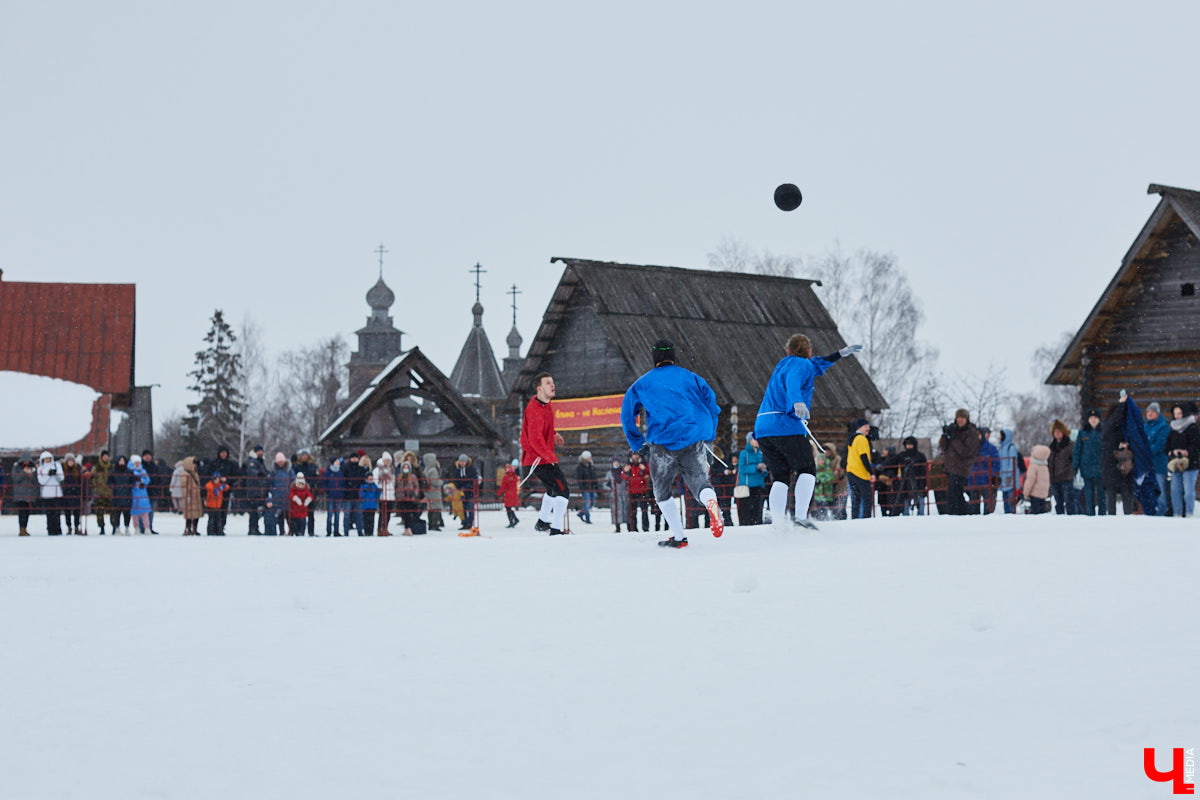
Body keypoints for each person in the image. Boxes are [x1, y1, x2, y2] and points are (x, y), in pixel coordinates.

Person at [619, 339, 724, 549]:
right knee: (700, 483)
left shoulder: (643, 383)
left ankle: (679, 537)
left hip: (663, 443)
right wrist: (709, 434)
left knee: (661, 491)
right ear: (673, 357)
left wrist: (636, 441)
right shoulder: (691, 377)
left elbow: (627, 414)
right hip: (692, 439)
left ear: (654, 358)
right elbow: (711, 403)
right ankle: (711, 504)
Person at [754, 334, 863, 530]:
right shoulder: (800, 365)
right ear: (809, 351)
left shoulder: (784, 363)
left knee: (780, 475)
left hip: (763, 427)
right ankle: (801, 517)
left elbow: (817, 365)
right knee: (807, 469)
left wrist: (839, 354)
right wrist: (797, 401)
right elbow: (794, 381)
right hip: (784, 424)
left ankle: (778, 522)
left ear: (787, 350)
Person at [520, 372, 571, 535]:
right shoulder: (534, 408)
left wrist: (554, 434)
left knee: (552, 490)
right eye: (548, 383)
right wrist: (550, 457)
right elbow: (534, 439)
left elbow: (542, 428)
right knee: (563, 491)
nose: (553, 385)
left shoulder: (546, 405)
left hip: (541, 457)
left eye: (553, 382)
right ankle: (556, 530)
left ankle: (542, 522)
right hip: (539, 459)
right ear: (539, 389)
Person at [938, 410, 978, 515]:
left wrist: (955, 439)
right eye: (958, 418)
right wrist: (945, 436)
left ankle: (955, 513)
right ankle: (964, 513)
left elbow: (966, 451)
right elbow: (943, 447)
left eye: (962, 418)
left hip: (962, 468)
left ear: (967, 419)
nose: (960, 420)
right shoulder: (954, 431)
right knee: (956, 494)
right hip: (950, 468)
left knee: (953, 494)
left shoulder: (971, 432)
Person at [1102, 399, 1135, 515]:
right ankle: (1112, 525)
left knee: (1126, 499)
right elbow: (1115, 420)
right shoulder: (1108, 425)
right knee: (1111, 502)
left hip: (1123, 468)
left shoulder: (1123, 428)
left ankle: (1127, 520)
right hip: (1111, 467)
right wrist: (1122, 404)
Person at [1166, 401, 1199, 517]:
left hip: (1191, 464)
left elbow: (1196, 445)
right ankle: (1177, 514)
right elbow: (1167, 445)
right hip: (1176, 463)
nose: (1177, 416)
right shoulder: (1173, 428)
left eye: (1179, 413)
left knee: (1188, 491)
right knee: (1175, 490)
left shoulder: (1192, 427)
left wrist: (1187, 451)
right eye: (1175, 413)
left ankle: (1189, 514)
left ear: (1184, 413)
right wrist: (1172, 451)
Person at [1073, 410, 1106, 516]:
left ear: (1099, 419)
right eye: (1091, 418)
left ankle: (1102, 516)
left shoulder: (1104, 431)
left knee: (1101, 496)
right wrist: (1075, 466)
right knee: (1088, 495)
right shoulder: (1083, 432)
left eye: (1095, 417)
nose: (1093, 420)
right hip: (1086, 469)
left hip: (1101, 469)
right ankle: (1090, 515)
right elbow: (1077, 450)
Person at [1144, 402, 1171, 516]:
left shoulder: (1163, 427)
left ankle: (1160, 514)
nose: (1150, 413)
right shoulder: (1144, 427)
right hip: (1146, 466)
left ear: (1157, 413)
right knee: (1148, 492)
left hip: (1158, 465)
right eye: (1148, 411)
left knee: (1160, 492)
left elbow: (1160, 445)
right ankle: (1151, 514)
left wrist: (1146, 452)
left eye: (1152, 411)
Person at [845, 420, 875, 519]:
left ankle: (855, 519)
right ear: (859, 427)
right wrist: (871, 472)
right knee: (867, 499)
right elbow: (863, 457)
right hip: (860, 472)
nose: (868, 429)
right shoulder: (861, 439)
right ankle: (866, 520)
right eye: (866, 426)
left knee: (855, 499)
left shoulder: (852, 438)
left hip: (851, 471)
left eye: (869, 427)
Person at [736, 434, 767, 525]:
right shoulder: (744, 453)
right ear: (749, 441)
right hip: (747, 486)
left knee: (757, 509)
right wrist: (756, 467)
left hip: (758, 485)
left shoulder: (760, 453)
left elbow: (763, 470)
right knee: (746, 510)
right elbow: (742, 468)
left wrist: (764, 470)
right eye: (754, 439)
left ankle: (757, 524)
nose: (757, 441)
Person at [1046, 420, 1076, 515]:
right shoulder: (1051, 447)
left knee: (1069, 502)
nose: (1057, 433)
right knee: (1058, 503)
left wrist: (1070, 471)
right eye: (1055, 432)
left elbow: (1074, 460)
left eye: (1059, 431)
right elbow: (1050, 462)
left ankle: (1072, 520)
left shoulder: (1070, 445)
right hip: (1054, 479)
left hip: (1066, 478)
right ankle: (1060, 521)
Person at [895, 436, 928, 516]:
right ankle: (906, 515)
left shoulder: (920, 456)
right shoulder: (902, 455)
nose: (909, 446)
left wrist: (922, 480)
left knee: (920, 499)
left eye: (910, 444)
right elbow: (892, 460)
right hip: (905, 482)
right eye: (907, 444)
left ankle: (921, 515)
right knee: (906, 499)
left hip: (919, 482)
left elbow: (924, 470)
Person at [243, 446, 270, 535]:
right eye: (258, 451)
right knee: (254, 511)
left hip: (258, 490)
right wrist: (260, 474)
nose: (260, 453)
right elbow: (252, 471)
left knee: (255, 511)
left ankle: (254, 528)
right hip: (254, 490)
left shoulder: (260, 462)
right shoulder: (253, 461)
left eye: (261, 451)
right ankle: (252, 529)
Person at [36, 451, 64, 535]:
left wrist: (55, 474)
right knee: (49, 513)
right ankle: (50, 530)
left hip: (56, 493)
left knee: (57, 513)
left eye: (49, 458)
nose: (47, 460)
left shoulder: (56, 465)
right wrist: (48, 475)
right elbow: (41, 481)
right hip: (46, 494)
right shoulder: (40, 468)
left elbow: (61, 478)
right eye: (45, 459)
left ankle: (58, 530)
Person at [449, 454, 479, 531]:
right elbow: (456, 481)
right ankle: (464, 522)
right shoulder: (457, 471)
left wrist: (467, 487)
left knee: (470, 507)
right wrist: (459, 487)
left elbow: (474, 480)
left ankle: (470, 522)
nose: (462, 463)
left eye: (463, 462)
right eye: (461, 462)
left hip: (470, 492)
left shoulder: (472, 469)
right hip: (461, 492)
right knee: (463, 508)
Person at [267, 452, 294, 536]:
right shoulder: (273, 471)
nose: (281, 463)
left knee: (289, 515)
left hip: (287, 495)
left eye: (282, 461)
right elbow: (270, 483)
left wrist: (291, 491)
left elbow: (293, 481)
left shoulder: (289, 470)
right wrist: (273, 491)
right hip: (277, 496)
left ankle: (291, 531)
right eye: (279, 461)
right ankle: (281, 531)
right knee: (280, 515)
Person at [624, 452, 652, 531]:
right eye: (634, 454)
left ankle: (645, 528)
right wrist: (626, 471)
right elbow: (623, 476)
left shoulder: (644, 464)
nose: (635, 456)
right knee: (633, 512)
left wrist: (645, 469)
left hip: (643, 491)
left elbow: (649, 473)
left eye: (637, 454)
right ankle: (633, 528)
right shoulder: (628, 465)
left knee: (644, 511)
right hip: (632, 492)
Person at [997, 430, 1021, 514]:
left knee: (1010, 502)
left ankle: (1012, 519)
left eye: (1000, 435)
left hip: (1010, 479)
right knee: (1005, 501)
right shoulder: (1001, 448)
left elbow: (1012, 463)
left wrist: (1008, 476)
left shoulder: (1011, 448)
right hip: (1003, 480)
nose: (999, 437)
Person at [395, 459, 423, 535]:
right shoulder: (399, 477)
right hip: (401, 497)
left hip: (410, 497)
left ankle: (408, 528)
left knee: (408, 513)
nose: (406, 469)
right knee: (402, 513)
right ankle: (407, 528)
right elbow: (396, 486)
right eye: (404, 467)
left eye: (407, 467)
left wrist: (414, 493)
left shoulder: (413, 477)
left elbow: (416, 486)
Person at [12, 455, 38, 535]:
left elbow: (35, 481)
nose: (26, 462)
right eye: (25, 461)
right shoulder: (16, 468)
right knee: (21, 512)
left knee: (27, 512)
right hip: (20, 495)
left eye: (28, 461)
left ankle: (25, 528)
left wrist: (31, 475)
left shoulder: (33, 469)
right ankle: (21, 529)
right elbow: (15, 479)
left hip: (29, 495)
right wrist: (24, 472)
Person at [90, 451, 114, 534]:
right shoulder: (97, 467)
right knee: (99, 512)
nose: (106, 458)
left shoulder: (112, 467)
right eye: (104, 456)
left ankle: (114, 527)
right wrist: (95, 488)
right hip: (99, 493)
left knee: (113, 511)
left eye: (107, 456)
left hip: (110, 493)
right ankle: (102, 528)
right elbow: (92, 478)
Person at [605, 455, 630, 532]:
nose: (616, 464)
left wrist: (627, 489)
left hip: (624, 494)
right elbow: (605, 484)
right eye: (614, 462)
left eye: (617, 462)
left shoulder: (623, 471)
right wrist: (611, 490)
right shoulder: (609, 473)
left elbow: (628, 481)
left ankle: (629, 527)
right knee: (616, 511)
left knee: (627, 511)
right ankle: (617, 527)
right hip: (615, 495)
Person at [128, 455, 153, 534]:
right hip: (134, 493)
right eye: (136, 462)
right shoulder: (130, 471)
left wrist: (143, 482)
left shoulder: (143, 471)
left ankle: (147, 528)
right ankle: (136, 528)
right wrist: (136, 482)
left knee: (145, 513)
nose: (137, 464)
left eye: (139, 462)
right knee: (134, 513)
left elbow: (147, 480)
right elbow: (129, 481)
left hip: (143, 494)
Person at [323, 457, 347, 536]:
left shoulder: (340, 472)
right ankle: (328, 531)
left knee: (337, 515)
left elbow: (343, 483)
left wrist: (342, 491)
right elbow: (324, 483)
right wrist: (328, 491)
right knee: (330, 514)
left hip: (339, 496)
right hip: (330, 496)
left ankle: (336, 531)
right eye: (336, 461)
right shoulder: (328, 472)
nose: (338, 463)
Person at [1025, 444, 1051, 514]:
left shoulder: (1033, 466)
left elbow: (1030, 480)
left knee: (1035, 512)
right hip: (1043, 494)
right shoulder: (1045, 467)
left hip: (1034, 493)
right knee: (1042, 512)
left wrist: (1026, 493)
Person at [60, 453, 83, 534]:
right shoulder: (63, 469)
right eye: (69, 461)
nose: (70, 462)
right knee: (67, 511)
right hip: (67, 493)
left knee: (77, 511)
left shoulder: (77, 469)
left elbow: (80, 480)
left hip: (75, 492)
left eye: (72, 460)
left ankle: (76, 527)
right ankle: (69, 527)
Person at [180, 456, 204, 535]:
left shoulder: (194, 474)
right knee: (189, 514)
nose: (195, 465)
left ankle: (194, 529)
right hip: (190, 497)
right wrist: (186, 496)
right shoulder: (185, 474)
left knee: (196, 514)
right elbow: (184, 486)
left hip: (196, 496)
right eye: (193, 463)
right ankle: (188, 529)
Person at [110, 455, 133, 534]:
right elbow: (109, 481)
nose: (121, 462)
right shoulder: (113, 471)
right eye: (120, 460)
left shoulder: (129, 471)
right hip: (117, 495)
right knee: (117, 513)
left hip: (127, 495)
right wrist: (115, 487)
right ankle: (117, 528)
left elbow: (133, 481)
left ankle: (127, 528)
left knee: (127, 513)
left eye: (123, 460)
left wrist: (128, 486)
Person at [422, 453, 444, 531]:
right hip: (435, 491)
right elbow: (435, 481)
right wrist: (441, 482)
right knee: (436, 508)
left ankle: (431, 523)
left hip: (428, 491)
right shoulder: (433, 470)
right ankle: (435, 524)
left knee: (430, 508)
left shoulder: (426, 469)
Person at [575, 451, 598, 525]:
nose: (591, 458)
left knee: (592, 503)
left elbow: (594, 477)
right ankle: (587, 518)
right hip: (585, 488)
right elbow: (579, 479)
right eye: (589, 457)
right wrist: (582, 488)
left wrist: (596, 486)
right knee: (587, 503)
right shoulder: (580, 467)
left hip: (592, 487)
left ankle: (581, 513)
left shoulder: (591, 466)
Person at [360, 471, 381, 536]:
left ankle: (371, 532)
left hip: (372, 505)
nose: (370, 479)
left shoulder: (374, 486)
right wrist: (364, 491)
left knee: (372, 519)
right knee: (365, 519)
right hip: (365, 505)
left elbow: (377, 496)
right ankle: (366, 531)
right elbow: (361, 495)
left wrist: (379, 491)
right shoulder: (363, 486)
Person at [499, 463, 520, 527]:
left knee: (508, 508)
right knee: (509, 508)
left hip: (508, 495)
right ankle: (515, 519)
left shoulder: (506, 477)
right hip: (514, 494)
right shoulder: (515, 476)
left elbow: (503, 487)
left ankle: (512, 522)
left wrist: (499, 493)